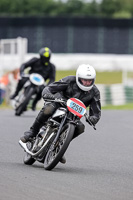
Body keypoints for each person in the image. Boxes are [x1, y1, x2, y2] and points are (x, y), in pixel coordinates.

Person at [20, 64, 101, 163]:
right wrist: (49, 94)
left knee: (80, 127)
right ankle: (32, 132)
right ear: (78, 78)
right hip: (59, 103)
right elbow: (49, 88)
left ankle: (60, 146)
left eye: (90, 81)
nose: (87, 83)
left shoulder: (95, 92)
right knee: (48, 108)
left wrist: (93, 119)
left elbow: (96, 112)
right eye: (85, 80)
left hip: (73, 115)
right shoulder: (69, 80)